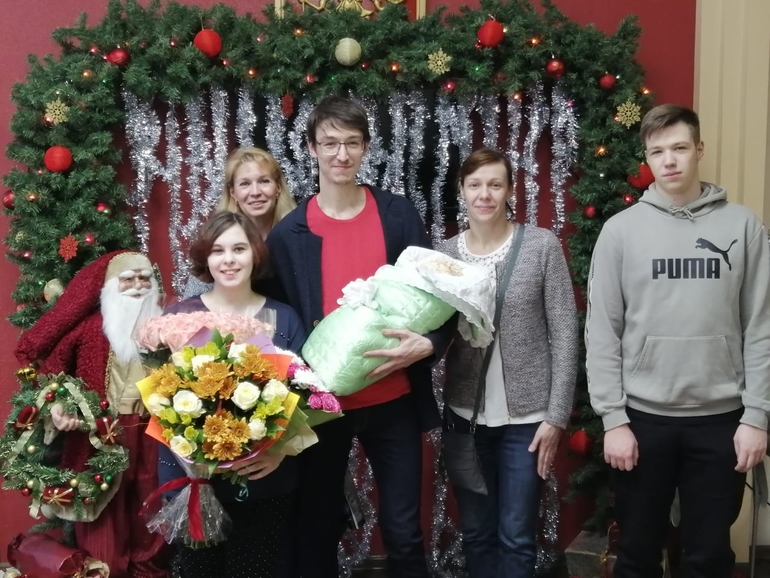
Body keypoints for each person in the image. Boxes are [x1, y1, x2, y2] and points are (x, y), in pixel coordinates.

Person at [266, 95, 454, 578]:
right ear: (311, 148)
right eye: (330, 143)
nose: (341, 154)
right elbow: (277, 325)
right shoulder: (288, 235)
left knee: (404, 529)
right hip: (321, 407)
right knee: (317, 526)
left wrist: (430, 344)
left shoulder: (397, 216)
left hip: (394, 400)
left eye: (352, 143)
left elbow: (441, 295)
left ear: (366, 147)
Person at [585, 104, 770, 578]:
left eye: (680, 148)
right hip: (642, 421)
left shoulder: (743, 226)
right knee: (637, 555)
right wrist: (613, 420)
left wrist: (756, 416)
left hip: (722, 421)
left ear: (699, 150)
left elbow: (760, 325)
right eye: (657, 152)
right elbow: (603, 331)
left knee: (709, 557)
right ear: (647, 158)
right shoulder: (620, 231)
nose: (669, 160)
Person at [435, 148, 578, 578]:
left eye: (495, 185)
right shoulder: (444, 255)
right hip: (466, 416)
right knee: (477, 533)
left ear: (510, 190)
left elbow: (565, 333)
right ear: (462, 191)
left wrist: (556, 416)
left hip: (527, 421)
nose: (485, 194)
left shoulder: (540, 246)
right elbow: (434, 332)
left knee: (517, 536)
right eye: (475, 185)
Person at [157, 211, 306, 578]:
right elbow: (158, 400)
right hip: (193, 480)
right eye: (218, 250)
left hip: (263, 479)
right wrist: (191, 453)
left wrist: (279, 450)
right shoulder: (179, 318)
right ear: (205, 258)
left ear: (255, 253)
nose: (228, 260)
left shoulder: (284, 318)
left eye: (239, 249)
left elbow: (305, 396)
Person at [14, 251, 168, 578]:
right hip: (102, 433)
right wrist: (59, 408)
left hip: (153, 430)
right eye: (128, 280)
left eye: (144, 279)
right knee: (103, 512)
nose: (138, 286)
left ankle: (149, 570)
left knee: (152, 501)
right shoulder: (91, 329)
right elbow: (53, 373)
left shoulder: (167, 329)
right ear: (110, 287)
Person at [182, 147, 296, 299]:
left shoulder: (296, 238)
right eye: (245, 184)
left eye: (264, 181)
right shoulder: (216, 236)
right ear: (233, 193)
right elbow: (190, 304)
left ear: (278, 188)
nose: (255, 192)